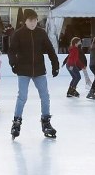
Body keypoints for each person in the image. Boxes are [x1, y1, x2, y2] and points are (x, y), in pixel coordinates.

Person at [7, 8, 60, 139]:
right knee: (22, 97)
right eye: (30, 20)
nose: (33, 23)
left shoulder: (41, 33)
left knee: (45, 96)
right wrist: (13, 63)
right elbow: (12, 51)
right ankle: (16, 122)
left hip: (39, 70)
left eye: (35, 20)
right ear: (25, 21)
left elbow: (50, 49)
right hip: (23, 70)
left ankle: (46, 121)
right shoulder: (18, 34)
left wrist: (55, 64)